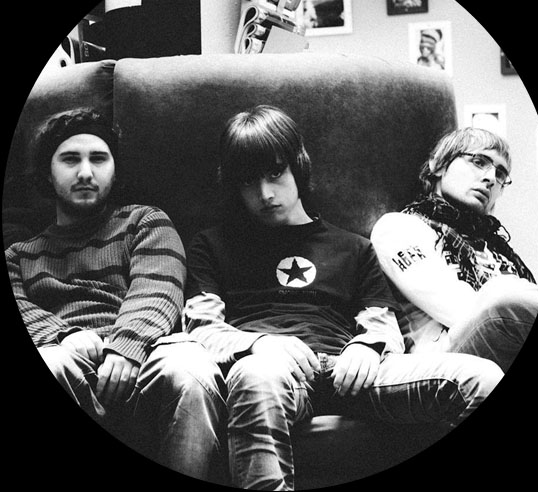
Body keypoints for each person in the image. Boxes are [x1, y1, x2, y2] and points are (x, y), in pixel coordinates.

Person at [183, 105, 504, 491]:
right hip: (269, 369)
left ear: (298, 167)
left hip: (349, 369)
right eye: (249, 181)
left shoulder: (354, 247)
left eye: (275, 173)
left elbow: (383, 322)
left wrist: (368, 346)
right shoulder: (212, 245)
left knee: (483, 378)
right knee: (256, 375)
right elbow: (201, 327)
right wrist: (258, 344)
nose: (265, 194)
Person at [5, 108, 226, 481]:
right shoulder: (19, 255)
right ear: (47, 173)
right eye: (70, 159)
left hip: (149, 355)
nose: (86, 172)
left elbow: (159, 288)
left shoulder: (144, 221)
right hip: (67, 359)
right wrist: (63, 335)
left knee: (192, 369)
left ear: (114, 170)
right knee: (51, 363)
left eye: (98, 159)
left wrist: (126, 346)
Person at [371, 127, 538, 373]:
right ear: (438, 165)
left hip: (505, 350)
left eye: (500, 174)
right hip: (441, 362)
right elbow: (460, 310)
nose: (491, 178)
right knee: (503, 290)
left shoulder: (496, 248)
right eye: (479, 161)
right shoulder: (397, 227)